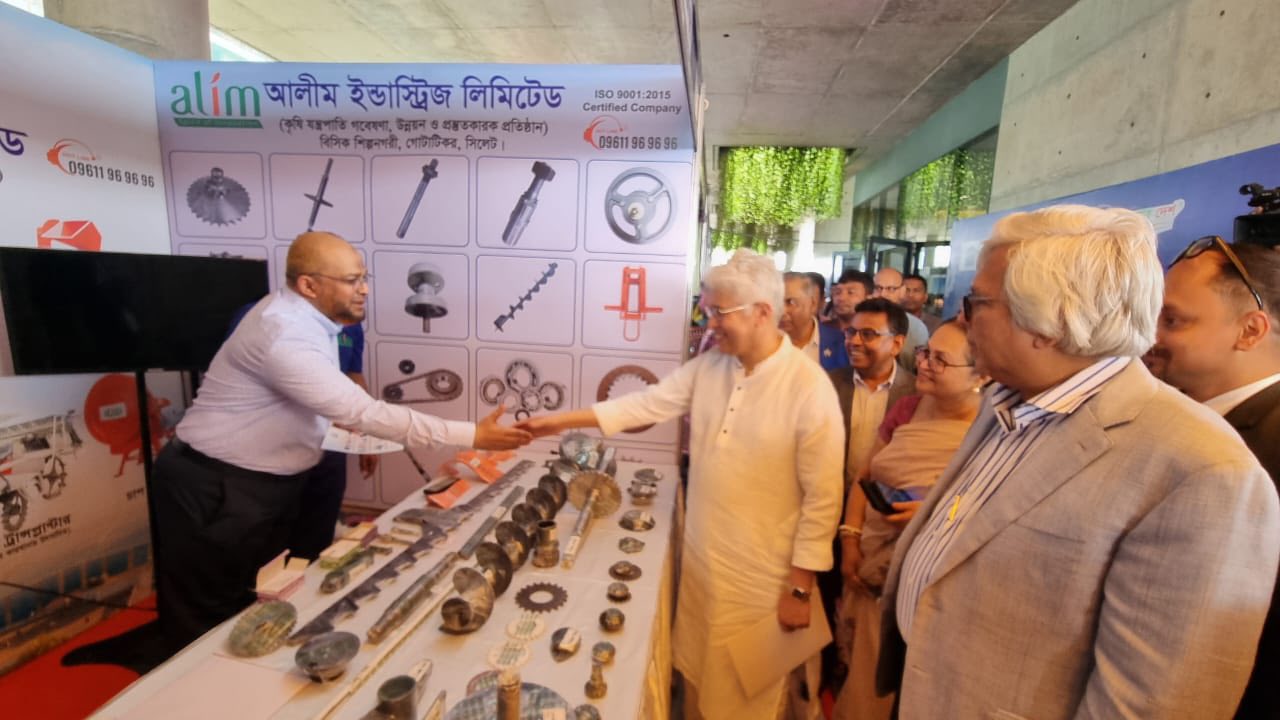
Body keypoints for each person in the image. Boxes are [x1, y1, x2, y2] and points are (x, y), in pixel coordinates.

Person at [877, 205, 1280, 719]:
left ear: (1049, 323)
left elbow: (1150, 706)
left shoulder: (1203, 470)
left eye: (978, 302)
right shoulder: (1008, 399)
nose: (962, 319)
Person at [150, 231, 531, 651]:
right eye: (352, 280)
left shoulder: (314, 321)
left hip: (258, 485)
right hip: (216, 485)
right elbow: (361, 411)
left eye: (364, 278)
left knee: (258, 600)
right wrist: (473, 435)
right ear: (309, 285)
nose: (364, 289)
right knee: (207, 621)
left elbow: (330, 402)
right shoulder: (283, 332)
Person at [519, 249, 844, 720]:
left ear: (761, 312)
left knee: (745, 701)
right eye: (708, 310)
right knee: (697, 685)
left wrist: (799, 589)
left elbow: (824, 498)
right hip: (703, 565)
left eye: (720, 312)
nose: (710, 323)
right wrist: (556, 422)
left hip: (761, 581)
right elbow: (646, 405)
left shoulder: (809, 388)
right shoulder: (712, 366)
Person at [1144, 237, 1280, 719]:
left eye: (1173, 320)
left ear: (1250, 330)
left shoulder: (1269, 444)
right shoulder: (1174, 420)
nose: (1150, 336)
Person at [833, 321, 984, 720]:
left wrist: (935, 518)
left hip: (934, 583)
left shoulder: (991, 429)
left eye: (941, 360)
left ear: (981, 375)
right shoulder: (907, 408)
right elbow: (865, 477)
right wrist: (850, 539)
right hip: (872, 565)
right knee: (865, 683)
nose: (925, 364)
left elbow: (987, 510)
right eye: (924, 353)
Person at [819, 297, 915, 693]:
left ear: (897, 343)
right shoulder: (828, 384)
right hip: (825, 514)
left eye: (869, 334)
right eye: (851, 332)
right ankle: (825, 678)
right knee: (824, 600)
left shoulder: (916, 394)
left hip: (881, 526)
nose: (854, 341)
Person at [781, 271, 849, 370]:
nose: (782, 310)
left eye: (791, 302)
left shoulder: (841, 343)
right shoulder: (762, 343)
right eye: (776, 301)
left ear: (812, 304)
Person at [872, 267, 928, 370]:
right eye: (878, 288)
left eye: (891, 289)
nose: (883, 294)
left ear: (903, 291)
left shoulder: (917, 328)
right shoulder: (859, 322)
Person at [826, 269, 873, 334]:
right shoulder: (820, 331)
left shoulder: (874, 333)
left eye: (850, 293)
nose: (841, 298)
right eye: (838, 292)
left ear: (868, 299)